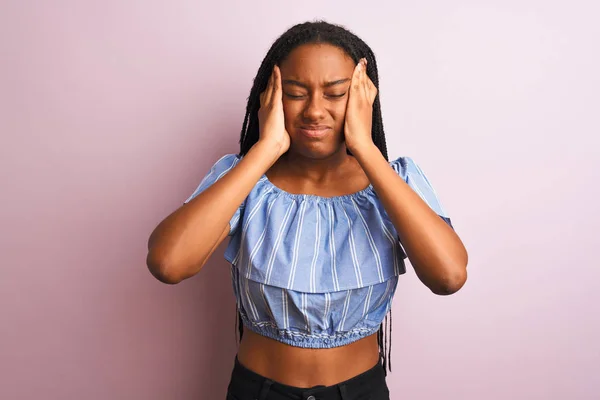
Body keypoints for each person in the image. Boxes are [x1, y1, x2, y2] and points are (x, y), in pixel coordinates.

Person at [146, 20, 468, 400]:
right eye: (297, 93)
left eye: (336, 93)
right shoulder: (245, 181)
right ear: (271, 98)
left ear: (364, 97)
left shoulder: (396, 182)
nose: (315, 111)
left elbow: (449, 276)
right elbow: (168, 264)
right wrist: (265, 150)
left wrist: (365, 148)